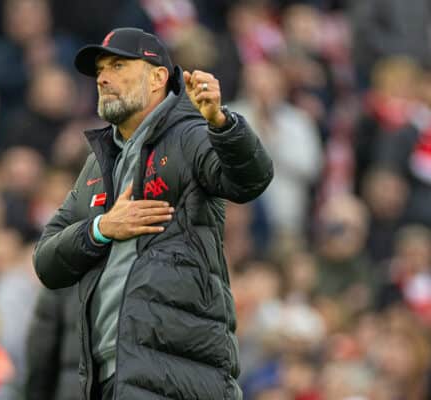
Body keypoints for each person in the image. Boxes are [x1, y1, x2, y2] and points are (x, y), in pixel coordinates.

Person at [33, 27, 273, 400]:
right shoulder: (96, 166)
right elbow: (47, 262)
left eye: (117, 66)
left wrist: (222, 124)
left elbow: (251, 180)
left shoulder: (190, 134)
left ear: (158, 76)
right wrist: (101, 228)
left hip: (178, 373)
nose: (103, 78)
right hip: (107, 377)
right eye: (99, 70)